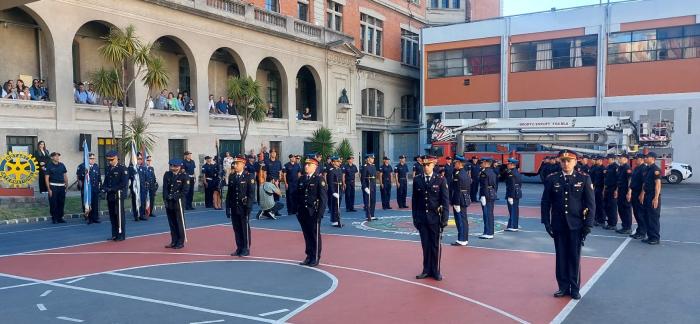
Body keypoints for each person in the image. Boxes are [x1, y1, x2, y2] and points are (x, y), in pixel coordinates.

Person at [541, 149, 595, 300]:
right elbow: (546, 202)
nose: (565, 163)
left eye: (569, 160)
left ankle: (574, 288)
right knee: (561, 256)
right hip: (558, 224)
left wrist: (588, 224)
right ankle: (563, 287)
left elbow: (591, 204)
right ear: (559, 161)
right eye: (563, 160)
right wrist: (546, 222)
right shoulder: (552, 178)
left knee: (574, 256)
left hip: (576, 224)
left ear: (575, 162)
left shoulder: (584, 178)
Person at [412, 155, 449, 281]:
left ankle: (435, 271)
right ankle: (426, 270)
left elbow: (445, 202)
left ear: (433, 165)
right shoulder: (417, 179)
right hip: (422, 218)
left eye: (428, 165)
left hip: (435, 218)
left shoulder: (440, 180)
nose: (426, 167)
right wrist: (415, 218)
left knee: (434, 245)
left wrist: (444, 219)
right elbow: (415, 201)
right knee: (425, 245)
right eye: (424, 165)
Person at [295, 157, 327, 267]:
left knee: (314, 235)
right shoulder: (302, 179)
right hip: (303, 212)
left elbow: (323, 199)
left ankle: (315, 257)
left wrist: (320, 214)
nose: (306, 166)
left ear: (315, 166)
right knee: (307, 235)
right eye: (306, 165)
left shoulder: (319, 179)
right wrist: (297, 211)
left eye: (309, 165)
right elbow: (298, 196)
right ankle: (309, 256)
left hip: (313, 212)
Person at [227, 155, 255, 256]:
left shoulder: (249, 176)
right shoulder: (232, 176)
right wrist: (227, 207)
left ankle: (245, 248)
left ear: (243, 164)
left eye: (237, 163)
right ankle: (239, 247)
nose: (235, 165)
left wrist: (249, 206)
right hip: (234, 206)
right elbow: (229, 193)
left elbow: (251, 193)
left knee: (244, 228)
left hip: (244, 207)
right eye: (234, 163)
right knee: (236, 228)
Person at [163, 159, 190, 249]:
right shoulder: (167, 174)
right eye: (171, 165)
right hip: (169, 202)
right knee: (172, 222)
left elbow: (185, 191)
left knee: (179, 222)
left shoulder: (184, 176)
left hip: (178, 202)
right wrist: (166, 198)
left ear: (179, 166)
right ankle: (174, 241)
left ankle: (180, 242)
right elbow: (165, 189)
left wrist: (174, 196)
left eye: (174, 166)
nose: (172, 167)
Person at [102, 151, 129, 241]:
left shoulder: (122, 169)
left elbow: (123, 183)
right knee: (112, 215)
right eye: (108, 160)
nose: (110, 162)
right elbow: (106, 181)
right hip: (110, 195)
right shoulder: (108, 168)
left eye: (112, 160)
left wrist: (112, 189)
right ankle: (114, 234)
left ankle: (121, 235)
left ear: (116, 158)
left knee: (119, 215)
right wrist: (103, 188)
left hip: (118, 195)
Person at [640, 152, 662, 245]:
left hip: (653, 195)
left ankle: (655, 238)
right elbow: (645, 183)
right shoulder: (647, 169)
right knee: (647, 216)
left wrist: (656, 198)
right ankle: (650, 236)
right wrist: (642, 194)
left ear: (652, 158)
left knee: (653, 217)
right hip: (647, 195)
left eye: (647, 157)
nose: (645, 158)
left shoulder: (655, 169)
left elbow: (658, 184)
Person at [450, 155, 471, 246]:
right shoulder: (465, 173)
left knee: (460, 220)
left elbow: (457, 189)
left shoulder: (458, 175)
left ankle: (461, 239)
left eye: (455, 163)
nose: (454, 164)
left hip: (459, 199)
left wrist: (456, 202)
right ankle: (464, 238)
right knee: (464, 219)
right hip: (464, 197)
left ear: (459, 163)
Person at [77, 153, 101, 224]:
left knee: (95, 203)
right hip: (87, 188)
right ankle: (88, 218)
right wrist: (85, 173)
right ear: (87, 159)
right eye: (91, 158)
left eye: (94, 158)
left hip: (95, 188)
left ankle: (95, 218)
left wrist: (100, 185)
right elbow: (79, 177)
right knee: (88, 203)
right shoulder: (82, 166)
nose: (93, 160)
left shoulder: (96, 166)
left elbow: (98, 177)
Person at [45, 152, 68, 224]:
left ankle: (60, 218)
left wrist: (66, 186)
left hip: (61, 187)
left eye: (58, 156)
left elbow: (65, 176)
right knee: (53, 203)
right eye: (55, 156)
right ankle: (54, 218)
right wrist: (49, 189)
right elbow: (46, 178)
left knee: (61, 203)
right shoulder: (49, 166)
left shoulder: (62, 165)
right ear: (52, 158)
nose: (57, 157)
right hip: (53, 186)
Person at [629, 153, 648, 239]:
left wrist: (642, 194)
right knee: (636, 213)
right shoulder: (636, 168)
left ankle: (642, 232)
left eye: (636, 158)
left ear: (642, 159)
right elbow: (632, 180)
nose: (635, 160)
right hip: (634, 192)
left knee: (640, 213)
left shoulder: (644, 168)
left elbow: (644, 183)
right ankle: (639, 230)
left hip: (639, 193)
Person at [478, 157, 498, 239]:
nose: (481, 164)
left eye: (482, 162)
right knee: (490, 214)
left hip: (486, 195)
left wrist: (483, 196)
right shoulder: (492, 171)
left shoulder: (484, 172)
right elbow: (494, 185)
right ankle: (489, 232)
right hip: (491, 193)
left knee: (487, 214)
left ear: (486, 163)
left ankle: (488, 232)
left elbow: (484, 185)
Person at [616, 154, 633, 234]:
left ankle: (628, 227)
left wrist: (629, 192)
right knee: (621, 209)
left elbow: (630, 180)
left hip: (625, 191)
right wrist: (616, 190)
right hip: (620, 190)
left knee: (626, 209)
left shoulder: (627, 168)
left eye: (621, 158)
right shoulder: (620, 168)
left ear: (626, 159)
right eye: (619, 158)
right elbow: (618, 180)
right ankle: (624, 226)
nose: (619, 159)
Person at [505, 158, 523, 232]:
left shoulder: (511, 173)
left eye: (508, 164)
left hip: (513, 193)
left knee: (513, 210)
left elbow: (511, 185)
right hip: (516, 192)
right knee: (514, 210)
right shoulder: (515, 172)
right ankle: (512, 225)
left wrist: (510, 196)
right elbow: (519, 184)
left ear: (512, 165)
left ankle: (513, 226)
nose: (507, 165)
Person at [129, 154, 148, 221]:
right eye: (138, 159)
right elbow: (129, 178)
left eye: (140, 159)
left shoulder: (143, 168)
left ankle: (142, 215)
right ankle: (136, 215)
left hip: (142, 189)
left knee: (142, 202)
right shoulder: (132, 168)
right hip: (135, 189)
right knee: (135, 202)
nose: (139, 160)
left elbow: (146, 178)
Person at [603, 154, 619, 230]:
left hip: (613, 188)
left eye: (608, 158)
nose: (607, 160)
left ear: (613, 159)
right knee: (607, 206)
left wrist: (616, 190)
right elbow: (606, 179)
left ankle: (613, 224)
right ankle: (609, 222)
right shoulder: (608, 167)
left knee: (612, 207)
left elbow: (618, 180)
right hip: (607, 188)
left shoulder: (616, 167)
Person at [326, 156, 343, 227]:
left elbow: (340, 180)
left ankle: (337, 219)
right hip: (334, 189)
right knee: (334, 205)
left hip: (339, 189)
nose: (339, 163)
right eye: (337, 161)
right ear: (333, 162)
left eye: (339, 161)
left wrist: (341, 189)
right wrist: (333, 192)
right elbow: (330, 182)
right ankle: (334, 220)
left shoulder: (339, 169)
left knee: (338, 205)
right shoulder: (331, 170)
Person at [361, 153, 378, 221]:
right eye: (372, 158)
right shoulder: (365, 167)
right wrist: (365, 187)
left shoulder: (373, 166)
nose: (373, 159)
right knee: (367, 201)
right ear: (368, 159)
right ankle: (368, 215)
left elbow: (374, 177)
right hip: (367, 186)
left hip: (373, 186)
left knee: (373, 201)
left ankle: (372, 214)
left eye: (373, 158)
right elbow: (363, 179)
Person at [590, 156, 606, 226]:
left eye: (597, 160)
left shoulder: (603, 168)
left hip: (601, 188)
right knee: (596, 204)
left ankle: (602, 220)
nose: (596, 161)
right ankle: (597, 219)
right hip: (596, 187)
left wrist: (603, 189)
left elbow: (604, 180)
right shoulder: (596, 168)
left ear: (600, 160)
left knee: (601, 205)